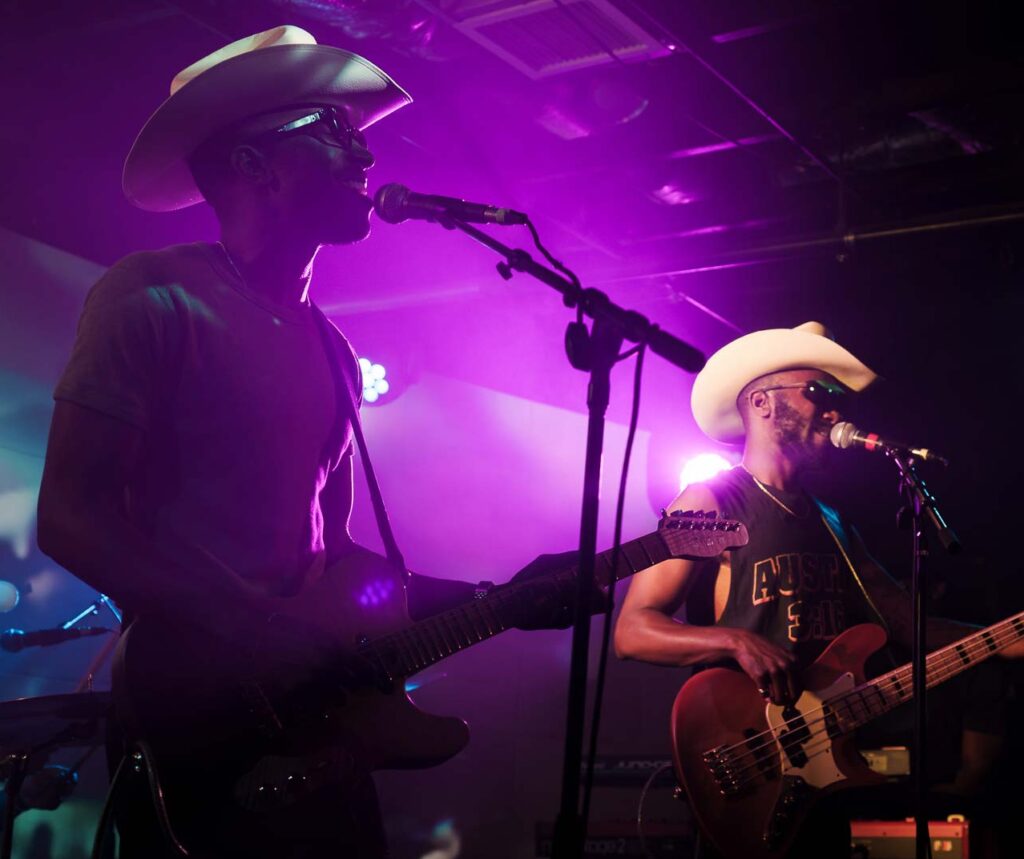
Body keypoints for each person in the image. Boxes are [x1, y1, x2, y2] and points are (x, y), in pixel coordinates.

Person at [36, 26, 583, 858]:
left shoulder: (330, 344)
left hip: (318, 729)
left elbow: (345, 571)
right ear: (254, 165)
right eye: (334, 132)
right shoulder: (149, 296)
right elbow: (70, 518)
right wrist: (257, 629)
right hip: (200, 717)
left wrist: (500, 595)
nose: (365, 158)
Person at [613, 321, 1023, 858]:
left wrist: (1009, 637)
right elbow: (633, 629)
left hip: (824, 767)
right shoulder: (710, 501)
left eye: (834, 398)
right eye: (818, 394)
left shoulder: (831, 520)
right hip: (745, 756)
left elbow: (908, 626)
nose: (834, 411)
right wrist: (733, 641)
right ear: (761, 402)